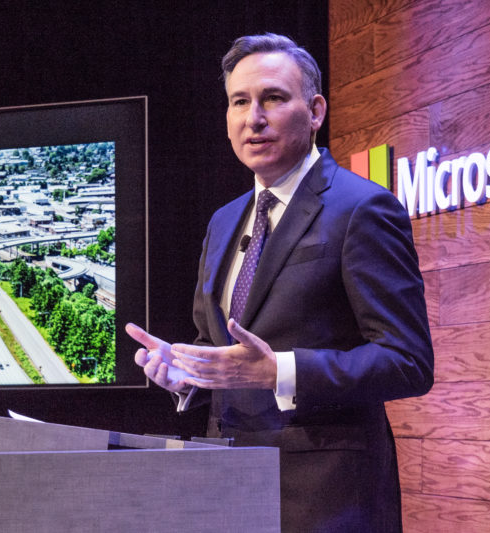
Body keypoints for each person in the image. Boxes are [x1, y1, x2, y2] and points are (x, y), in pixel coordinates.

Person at [126, 33, 434, 532]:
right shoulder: (223, 222)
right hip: (226, 487)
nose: (254, 118)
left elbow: (408, 362)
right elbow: (221, 346)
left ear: (315, 111)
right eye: (239, 102)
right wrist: (186, 372)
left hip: (326, 497)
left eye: (272, 98)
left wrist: (280, 372)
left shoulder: (362, 209)